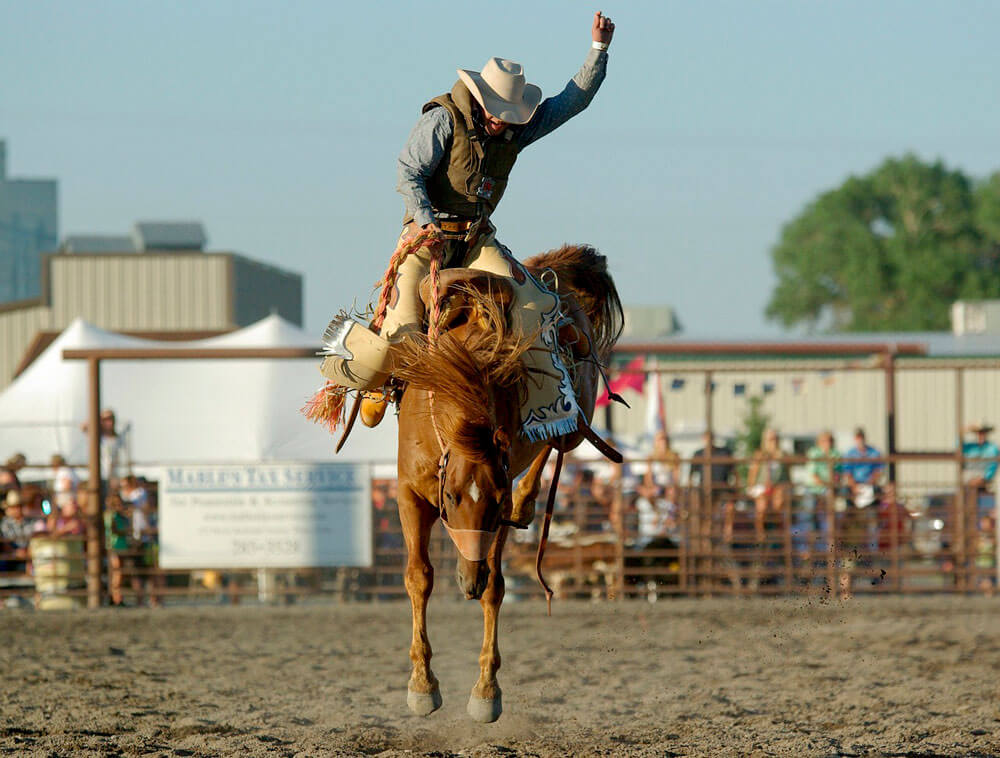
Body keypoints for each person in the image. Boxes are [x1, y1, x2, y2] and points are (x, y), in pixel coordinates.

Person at [319, 11, 615, 435]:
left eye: (508, 114)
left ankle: (539, 408)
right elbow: (408, 172)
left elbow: (573, 101)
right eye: (496, 112)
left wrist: (598, 49)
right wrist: (425, 224)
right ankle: (375, 383)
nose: (501, 121)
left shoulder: (516, 129)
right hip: (426, 239)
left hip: (477, 239)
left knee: (536, 305)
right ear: (479, 100)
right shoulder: (441, 120)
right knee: (401, 324)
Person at [796, 430, 840, 557]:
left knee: (830, 515)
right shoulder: (814, 453)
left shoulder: (835, 454)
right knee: (808, 514)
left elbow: (838, 472)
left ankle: (830, 545)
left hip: (828, 489)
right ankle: (807, 548)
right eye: (825, 440)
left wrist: (832, 484)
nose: (828, 443)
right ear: (819, 442)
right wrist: (826, 485)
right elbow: (813, 474)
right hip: (814, 488)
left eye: (830, 440)